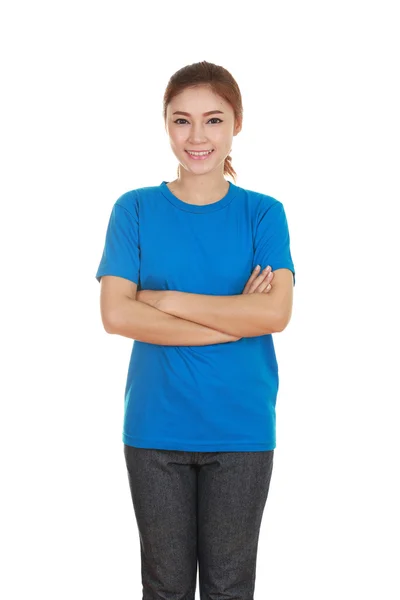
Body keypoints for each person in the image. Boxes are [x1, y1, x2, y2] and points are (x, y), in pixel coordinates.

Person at [95, 60, 296, 600]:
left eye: (213, 120)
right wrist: (231, 321)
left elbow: (274, 315)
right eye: (182, 121)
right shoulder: (133, 210)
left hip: (241, 431)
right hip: (155, 430)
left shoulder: (263, 214)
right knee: (164, 589)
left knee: (230, 588)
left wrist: (168, 300)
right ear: (165, 124)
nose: (197, 136)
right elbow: (116, 315)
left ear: (236, 124)